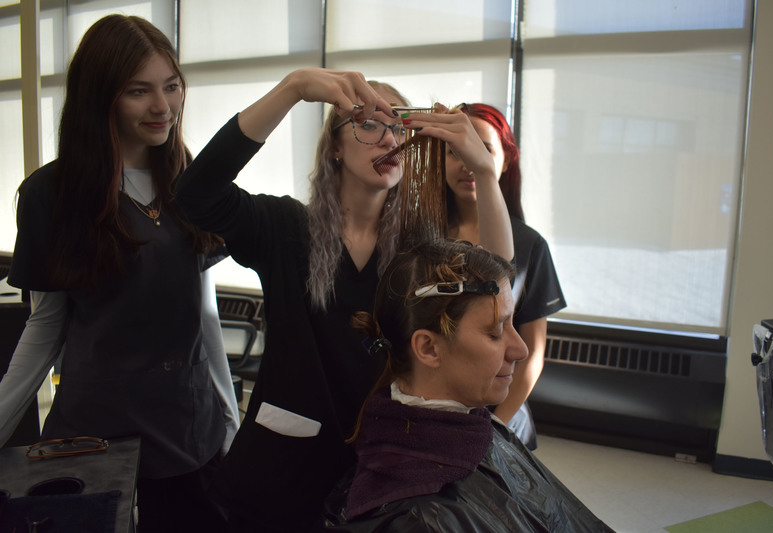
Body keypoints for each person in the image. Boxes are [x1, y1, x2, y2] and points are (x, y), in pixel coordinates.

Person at [174, 69, 514, 531]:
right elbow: (196, 193)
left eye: (398, 126)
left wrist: (484, 173)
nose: (387, 139)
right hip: (279, 473)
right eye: (368, 123)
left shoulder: (416, 252)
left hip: (375, 467)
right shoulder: (283, 228)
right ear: (334, 145)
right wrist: (293, 89)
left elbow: (493, 276)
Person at [0, 15, 238, 532]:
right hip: (95, 435)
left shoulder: (190, 181)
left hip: (188, 433)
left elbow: (205, 312)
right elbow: (44, 328)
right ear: (100, 97)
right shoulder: (52, 195)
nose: (163, 107)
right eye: (139, 91)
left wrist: (229, 419)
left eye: (172, 87)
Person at [316, 239, 612, 532]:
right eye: (495, 332)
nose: (520, 349)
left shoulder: (475, 431)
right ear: (429, 348)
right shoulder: (415, 519)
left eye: (512, 325)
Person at [445, 102, 566, 449]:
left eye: (483, 149)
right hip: (432, 410)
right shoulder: (420, 236)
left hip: (500, 418)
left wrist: (497, 425)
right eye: (455, 152)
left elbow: (531, 353)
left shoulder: (530, 244)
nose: (468, 163)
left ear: (507, 159)